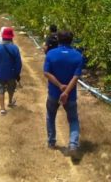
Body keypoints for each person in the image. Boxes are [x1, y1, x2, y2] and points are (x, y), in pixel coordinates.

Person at [43, 30, 84, 159]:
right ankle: (72, 144)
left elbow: (46, 73)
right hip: (70, 96)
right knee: (73, 119)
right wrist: (66, 92)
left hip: (54, 93)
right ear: (71, 40)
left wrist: (60, 86)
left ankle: (51, 142)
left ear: (58, 40)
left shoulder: (51, 54)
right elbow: (76, 77)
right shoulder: (78, 56)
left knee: (51, 115)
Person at [0, 27, 22, 115]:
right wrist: (17, 73)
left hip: (0, 72)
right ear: (11, 37)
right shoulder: (15, 48)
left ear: (3, 37)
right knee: (11, 88)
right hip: (11, 73)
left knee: (0, 89)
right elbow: (18, 63)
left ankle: (2, 108)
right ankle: (10, 101)